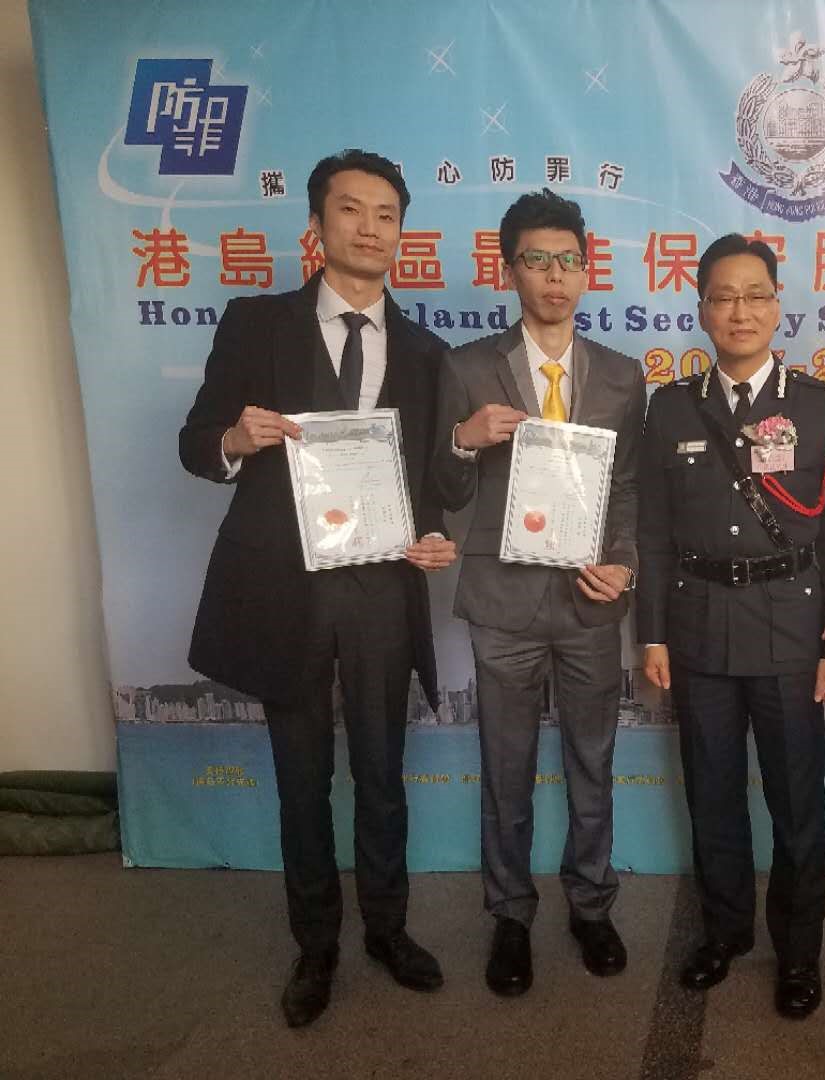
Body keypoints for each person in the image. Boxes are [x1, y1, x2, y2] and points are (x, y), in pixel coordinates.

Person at [179, 149, 456, 1027]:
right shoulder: (256, 323)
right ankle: (316, 948)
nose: (370, 227)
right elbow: (195, 441)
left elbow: (432, 481)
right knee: (301, 783)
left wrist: (434, 531)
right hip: (284, 589)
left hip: (381, 589)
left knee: (382, 777)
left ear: (402, 234)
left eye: (386, 214)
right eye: (350, 209)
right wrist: (235, 439)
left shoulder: (428, 352)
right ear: (317, 224)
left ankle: (388, 930)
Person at [432, 189, 644, 997]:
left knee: (593, 760)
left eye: (568, 261)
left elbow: (627, 490)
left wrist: (624, 564)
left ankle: (591, 906)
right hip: (503, 601)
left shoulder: (622, 376)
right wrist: (462, 440)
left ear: (587, 271)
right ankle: (511, 916)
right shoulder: (466, 367)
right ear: (509, 270)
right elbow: (446, 489)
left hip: (589, 599)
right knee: (506, 768)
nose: (555, 276)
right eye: (537, 260)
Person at [637, 234, 825, 1019]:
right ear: (701, 309)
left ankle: (798, 953)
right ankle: (724, 932)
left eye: (755, 294)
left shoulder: (821, 407)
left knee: (798, 806)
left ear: (776, 305)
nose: (740, 311)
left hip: (792, 631)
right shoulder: (671, 406)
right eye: (724, 296)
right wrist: (652, 633)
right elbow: (652, 529)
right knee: (713, 795)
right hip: (697, 629)